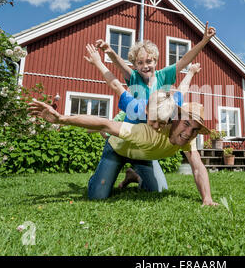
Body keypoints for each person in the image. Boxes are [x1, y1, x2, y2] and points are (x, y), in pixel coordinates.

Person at [28, 98, 219, 206]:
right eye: (186, 124)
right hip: (117, 150)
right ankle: (101, 177)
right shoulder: (147, 133)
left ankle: (132, 175)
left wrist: (207, 198)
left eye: (194, 129)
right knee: (97, 196)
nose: (188, 133)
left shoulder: (187, 140)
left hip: (143, 158)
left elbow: (198, 167)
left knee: (158, 190)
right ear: (175, 119)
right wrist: (62, 119)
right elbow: (106, 123)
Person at [84, 44, 202, 188]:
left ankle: (133, 176)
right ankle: (98, 177)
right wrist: (105, 56)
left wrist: (191, 70)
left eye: (149, 61)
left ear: (156, 61)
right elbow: (116, 80)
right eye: (140, 63)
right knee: (98, 193)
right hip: (122, 142)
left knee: (159, 190)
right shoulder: (135, 87)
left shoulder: (165, 88)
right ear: (135, 65)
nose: (145, 66)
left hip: (144, 149)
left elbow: (183, 73)